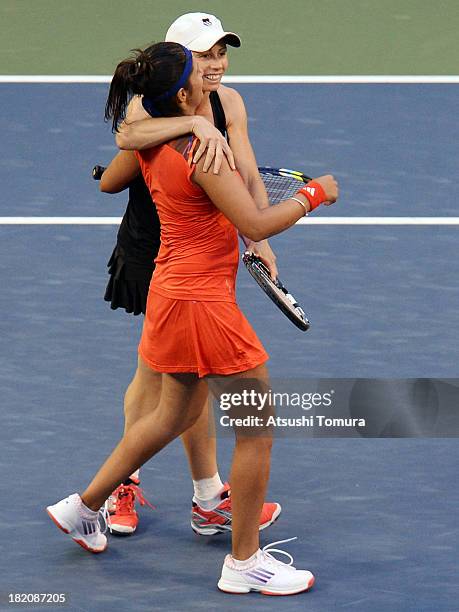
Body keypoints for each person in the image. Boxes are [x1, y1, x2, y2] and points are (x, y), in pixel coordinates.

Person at [47, 41, 338, 595]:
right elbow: (257, 221)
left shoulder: (154, 138)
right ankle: (244, 562)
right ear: (182, 93)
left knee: (169, 415)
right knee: (256, 432)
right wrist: (314, 193)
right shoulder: (204, 152)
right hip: (205, 306)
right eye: (197, 70)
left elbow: (116, 168)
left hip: (168, 296)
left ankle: (83, 506)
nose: (213, 72)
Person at [100, 13, 281, 536]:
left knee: (188, 378)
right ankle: (121, 487)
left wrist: (258, 235)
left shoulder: (229, 102)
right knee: (153, 375)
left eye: (222, 52)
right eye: (204, 55)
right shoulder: (149, 100)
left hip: (203, 247)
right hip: (153, 244)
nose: (217, 63)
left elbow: (246, 171)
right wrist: (192, 122)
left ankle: (206, 497)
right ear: (176, 61)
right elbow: (126, 140)